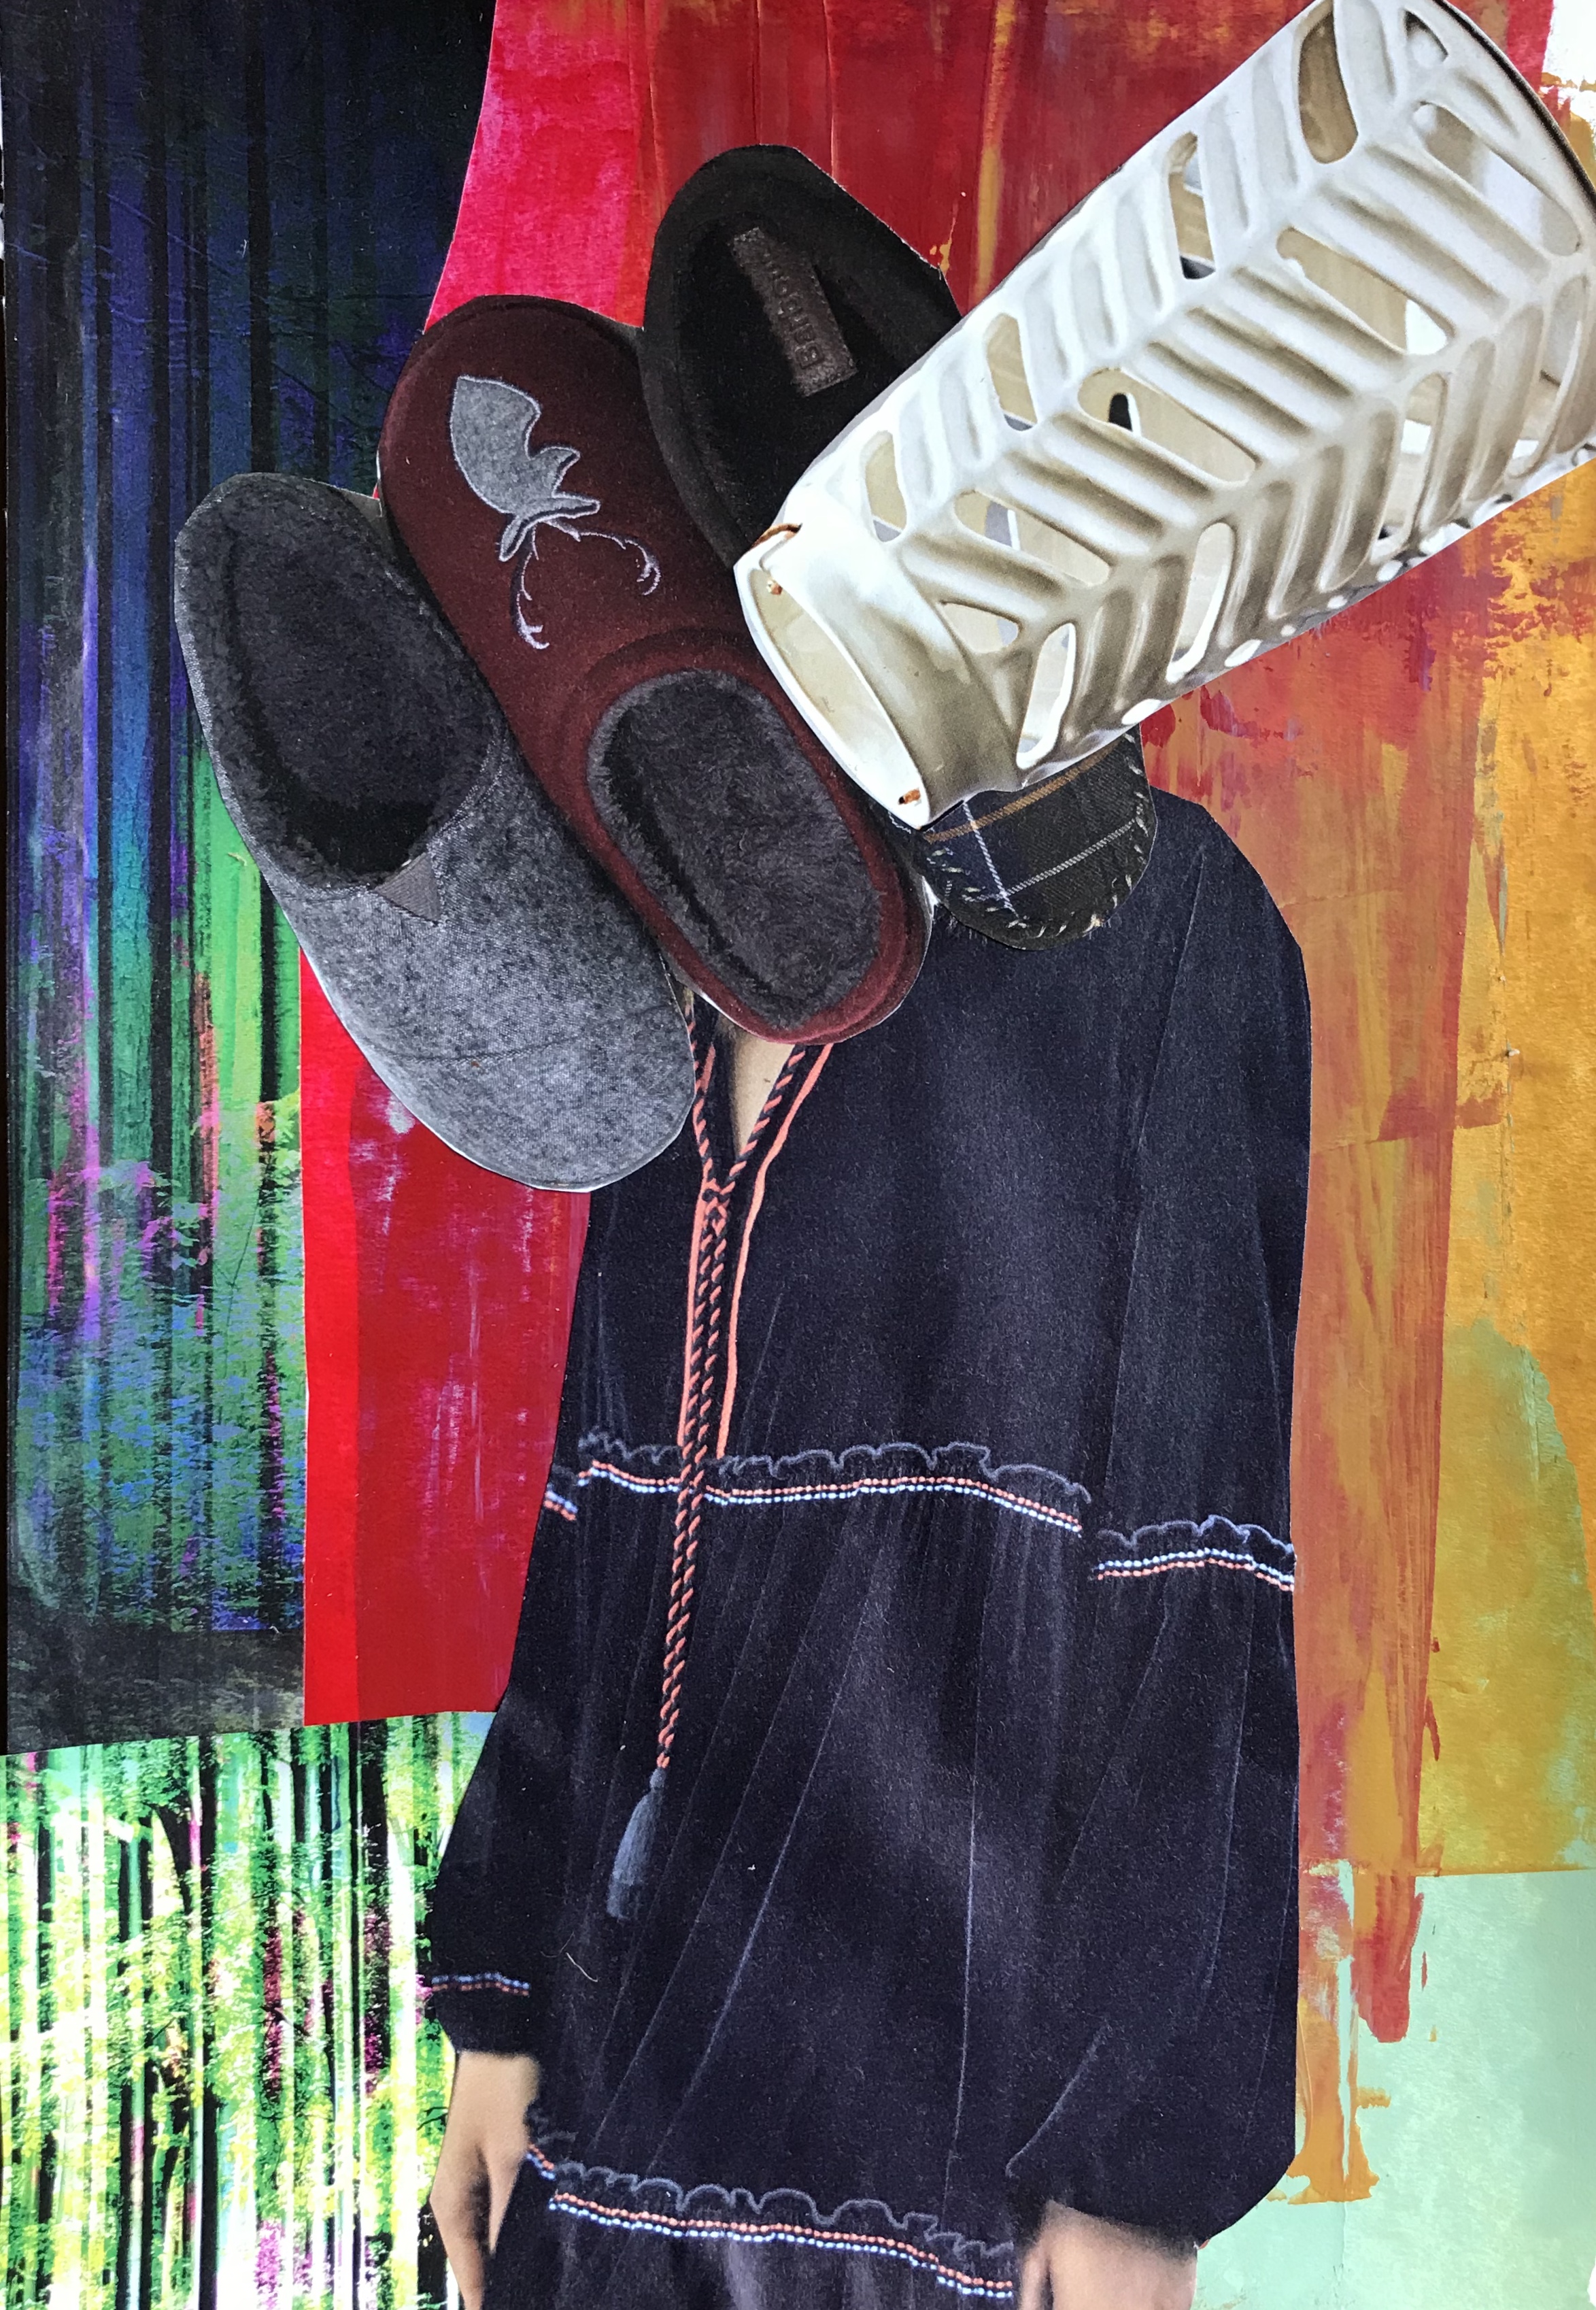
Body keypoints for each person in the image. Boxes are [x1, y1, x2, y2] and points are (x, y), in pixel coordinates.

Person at [422, 787, 1311, 2309]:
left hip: (943, 2168)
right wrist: (497, 2014)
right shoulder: (653, 927)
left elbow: (1203, 1567)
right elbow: (602, 1505)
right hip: (603, 2107)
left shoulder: (1149, 909)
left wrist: (1132, 2177)